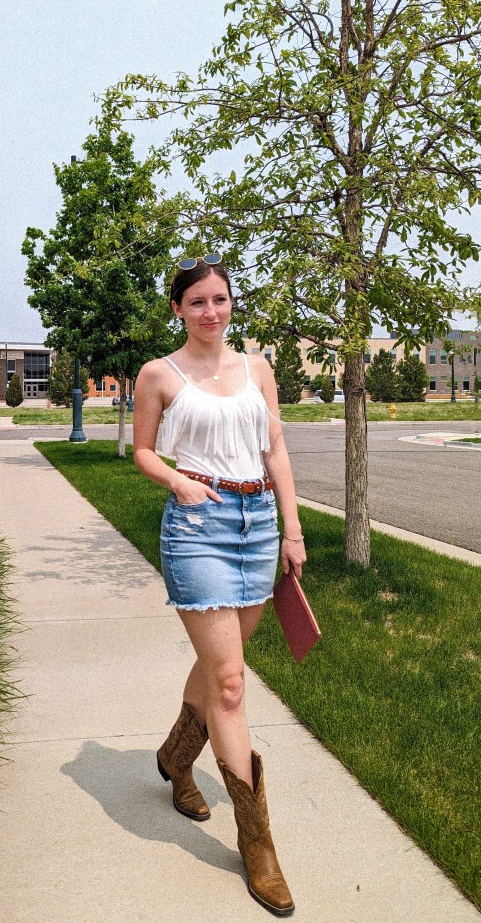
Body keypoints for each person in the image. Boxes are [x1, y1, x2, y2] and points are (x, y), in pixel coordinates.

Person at [132, 254, 307, 918]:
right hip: (197, 529)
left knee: (217, 668)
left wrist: (291, 530)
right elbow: (145, 450)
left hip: (257, 524)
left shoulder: (256, 367)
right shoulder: (159, 374)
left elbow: (275, 450)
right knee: (230, 682)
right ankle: (257, 843)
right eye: (197, 301)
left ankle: (178, 759)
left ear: (232, 304)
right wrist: (174, 478)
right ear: (177, 308)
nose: (211, 312)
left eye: (220, 299)